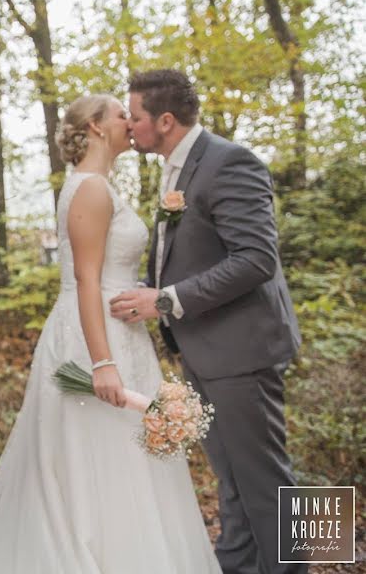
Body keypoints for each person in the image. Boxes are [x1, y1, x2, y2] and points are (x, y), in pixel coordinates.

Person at [0, 94, 220, 573]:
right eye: (121, 115)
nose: (129, 124)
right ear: (95, 127)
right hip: (96, 339)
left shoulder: (97, 186)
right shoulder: (91, 189)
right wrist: (103, 362)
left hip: (115, 330)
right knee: (97, 464)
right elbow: (86, 281)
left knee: (121, 464)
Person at [110, 69, 303, 574]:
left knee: (270, 480)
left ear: (166, 120)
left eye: (136, 116)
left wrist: (166, 300)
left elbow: (257, 259)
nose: (129, 125)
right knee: (234, 479)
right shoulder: (177, 168)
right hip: (204, 349)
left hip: (243, 351)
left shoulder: (229, 162)